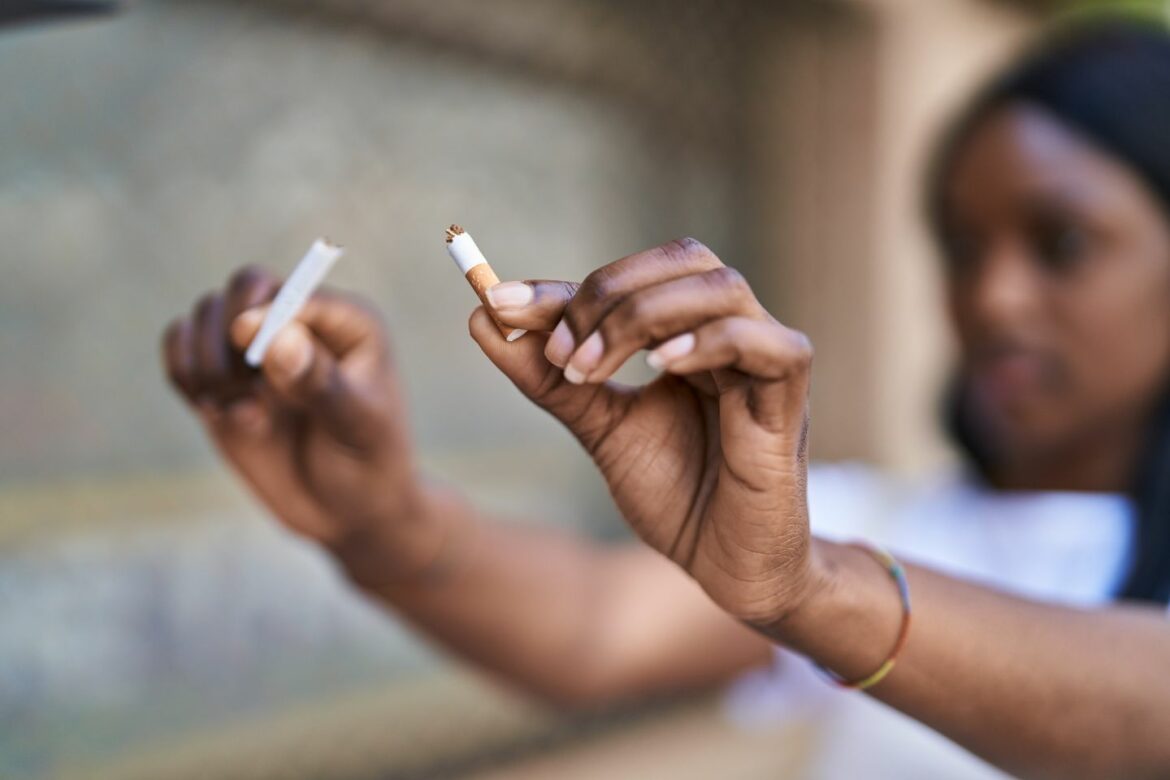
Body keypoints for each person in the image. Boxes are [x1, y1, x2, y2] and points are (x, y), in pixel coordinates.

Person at [161, 15, 1170, 779]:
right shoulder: (883, 525)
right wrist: (378, 519)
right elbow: (590, 625)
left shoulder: (834, 557)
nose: (992, 298)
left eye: (1062, 244)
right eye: (960, 246)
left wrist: (808, 589)